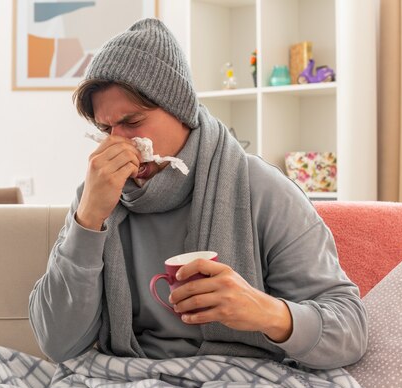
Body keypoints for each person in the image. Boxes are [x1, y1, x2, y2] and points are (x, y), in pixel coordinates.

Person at [29, 18, 367, 368]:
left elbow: (350, 330)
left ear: (181, 111)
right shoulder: (96, 197)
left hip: (244, 382)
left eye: (132, 122)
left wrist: (266, 312)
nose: (118, 142)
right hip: (130, 381)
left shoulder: (262, 188)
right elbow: (57, 343)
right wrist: (87, 220)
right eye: (105, 128)